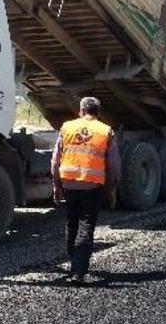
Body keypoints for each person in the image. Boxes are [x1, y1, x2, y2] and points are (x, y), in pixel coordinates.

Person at [51, 97, 121, 286]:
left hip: (69, 184)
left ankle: (75, 263)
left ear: (81, 111)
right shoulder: (105, 131)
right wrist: (112, 189)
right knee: (86, 226)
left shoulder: (66, 127)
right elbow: (113, 165)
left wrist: (56, 186)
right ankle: (78, 271)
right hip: (91, 186)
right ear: (98, 112)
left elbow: (55, 159)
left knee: (71, 223)